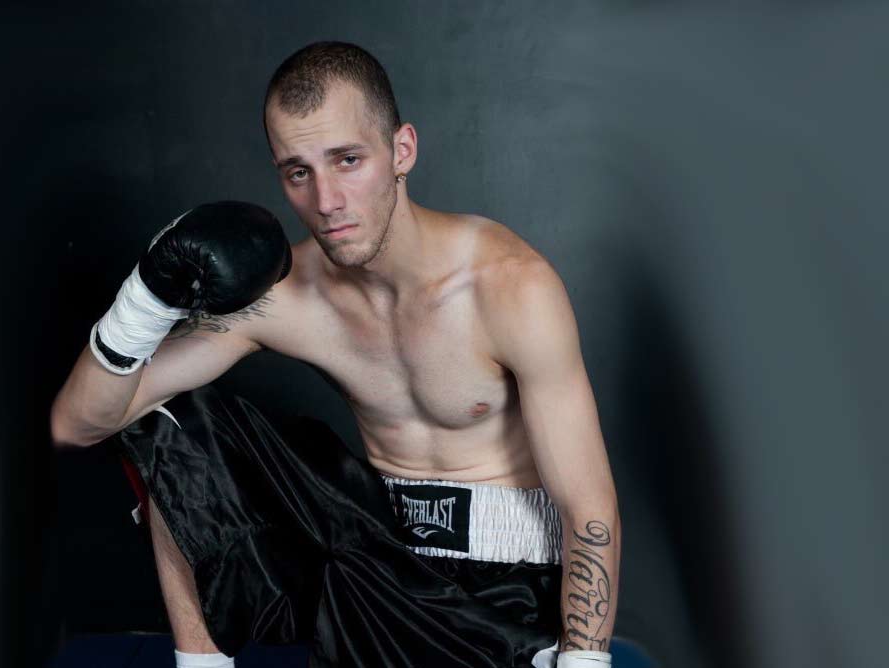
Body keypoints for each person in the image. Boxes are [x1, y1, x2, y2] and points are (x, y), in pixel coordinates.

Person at [51, 42, 620, 668]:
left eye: (348, 160)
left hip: (505, 592)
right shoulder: (287, 296)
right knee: (172, 418)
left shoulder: (510, 286)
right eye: (299, 172)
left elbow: (588, 508)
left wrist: (585, 660)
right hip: (374, 565)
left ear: (402, 150)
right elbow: (81, 423)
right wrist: (146, 301)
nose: (326, 201)